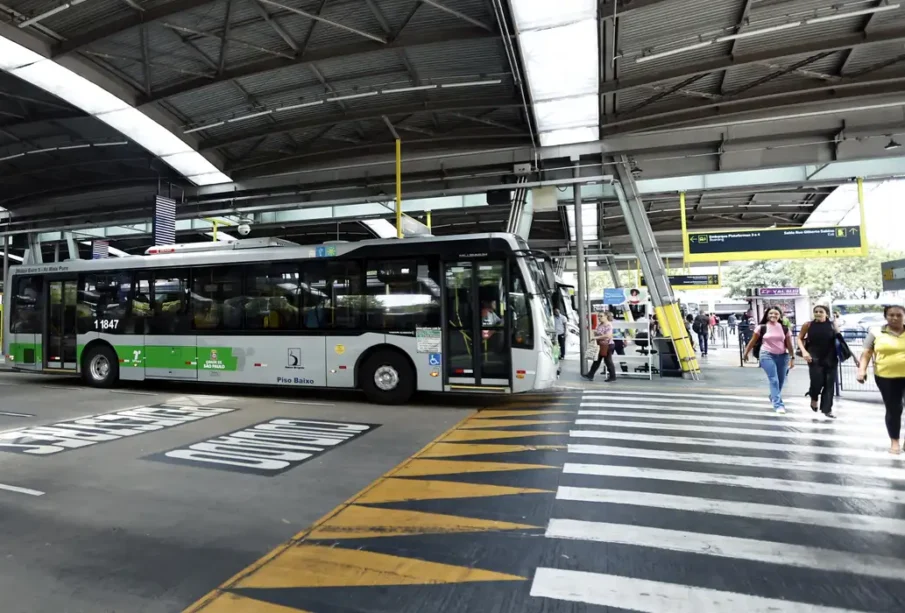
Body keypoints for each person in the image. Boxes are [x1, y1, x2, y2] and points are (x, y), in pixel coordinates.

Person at [856, 305, 905, 454]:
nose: (895, 318)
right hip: (886, 377)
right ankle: (894, 441)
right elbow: (866, 353)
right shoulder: (876, 332)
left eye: (898, 315)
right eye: (891, 315)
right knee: (894, 409)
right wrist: (861, 370)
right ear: (886, 316)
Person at [744, 306, 796, 413]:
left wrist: (792, 358)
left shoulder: (785, 328)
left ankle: (773, 396)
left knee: (781, 381)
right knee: (774, 379)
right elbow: (753, 341)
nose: (773, 315)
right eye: (771, 313)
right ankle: (778, 405)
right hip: (766, 355)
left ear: (780, 316)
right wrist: (746, 353)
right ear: (767, 315)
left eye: (776, 314)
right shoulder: (761, 327)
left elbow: (789, 345)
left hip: (782, 356)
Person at [798, 305, 840, 419]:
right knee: (817, 381)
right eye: (815, 311)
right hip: (814, 357)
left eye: (821, 311)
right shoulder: (808, 325)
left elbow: (840, 340)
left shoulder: (832, 325)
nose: (818, 313)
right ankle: (814, 397)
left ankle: (827, 409)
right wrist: (804, 352)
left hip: (831, 358)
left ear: (826, 313)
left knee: (829, 384)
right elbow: (799, 338)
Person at [584, 312, 616, 382]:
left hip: (607, 345)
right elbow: (599, 332)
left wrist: (597, 337)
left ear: (606, 316)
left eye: (601, 316)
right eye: (598, 316)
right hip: (601, 344)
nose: (599, 318)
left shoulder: (608, 325)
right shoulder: (600, 324)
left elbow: (608, 335)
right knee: (597, 360)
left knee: (608, 361)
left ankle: (612, 376)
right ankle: (590, 374)